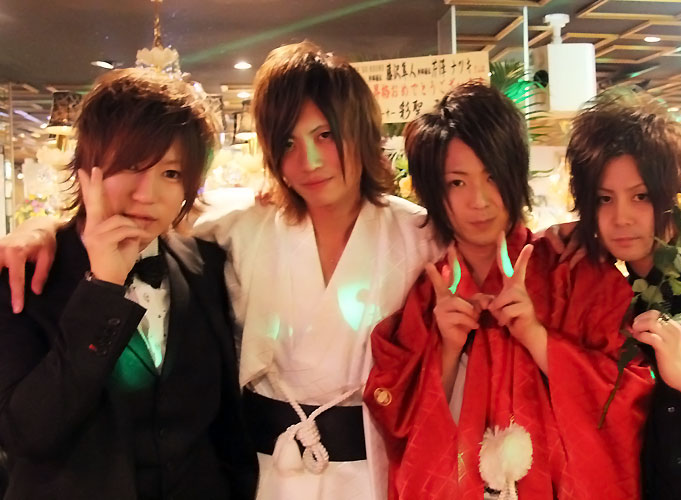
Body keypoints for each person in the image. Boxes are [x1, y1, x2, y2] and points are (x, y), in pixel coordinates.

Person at [0, 42, 438, 500]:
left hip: (368, 472)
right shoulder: (236, 227)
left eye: (325, 134)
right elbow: (25, 433)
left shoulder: (417, 235)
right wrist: (44, 231)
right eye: (287, 142)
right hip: (270, 473)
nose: (308, 161)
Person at [363, 83, 653, 499]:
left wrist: (539, 339)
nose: (479, 201)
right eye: (457, 183)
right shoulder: (429, 295)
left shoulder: (573, 274)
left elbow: (629, 396)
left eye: (493, 176)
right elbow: (394, 413)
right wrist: (446, 351)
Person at [0, 68, 258, 499]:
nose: (147, 194)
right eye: (131, 167)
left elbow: (225, 425)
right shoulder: (24, 273)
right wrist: (102, 288)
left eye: (171, 173)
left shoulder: (205, 265)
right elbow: (26, 435)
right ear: (87, 167)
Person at [567, 90, 681, 499]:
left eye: (640, 196)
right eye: (604, 199)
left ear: (673, 195)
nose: (621, 217)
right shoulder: (610, 294)